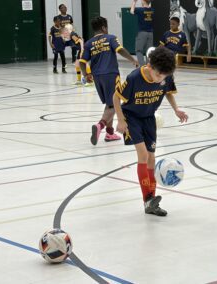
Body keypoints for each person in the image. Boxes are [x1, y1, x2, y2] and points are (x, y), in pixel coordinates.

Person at [113, 46, 188, 216]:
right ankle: (147, 200)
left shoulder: (166, 76)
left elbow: (168, 92)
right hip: (131, 117)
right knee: (143, 155)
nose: (160, 79)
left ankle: (151, 202)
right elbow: (116, 97)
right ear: (150, 66)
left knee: (152, 158)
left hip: (149, 118)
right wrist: (120, 119)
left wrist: (176, 109)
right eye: (158, 75)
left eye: (164, 76)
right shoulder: (134, 77)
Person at [79, 16, 138, 145]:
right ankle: (100, 125)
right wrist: (132, 59)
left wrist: (85, 74)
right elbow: (120, 49)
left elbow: (82, 61)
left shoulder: (89, 43)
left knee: (109, 104)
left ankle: (110, 133)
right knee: (114, 102)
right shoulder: (110, 37)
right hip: (111, 74)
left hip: (97, 77)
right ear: (104, 27)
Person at [131, 0, 154, 66]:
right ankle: (148, 66)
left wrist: (134, 2)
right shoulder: (153, 10)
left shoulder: (140, 10)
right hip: (151, 34)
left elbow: (132, 11)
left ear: (144, 1)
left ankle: (143, 67)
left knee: (139, 51)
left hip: (142, 33)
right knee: (149, 51)